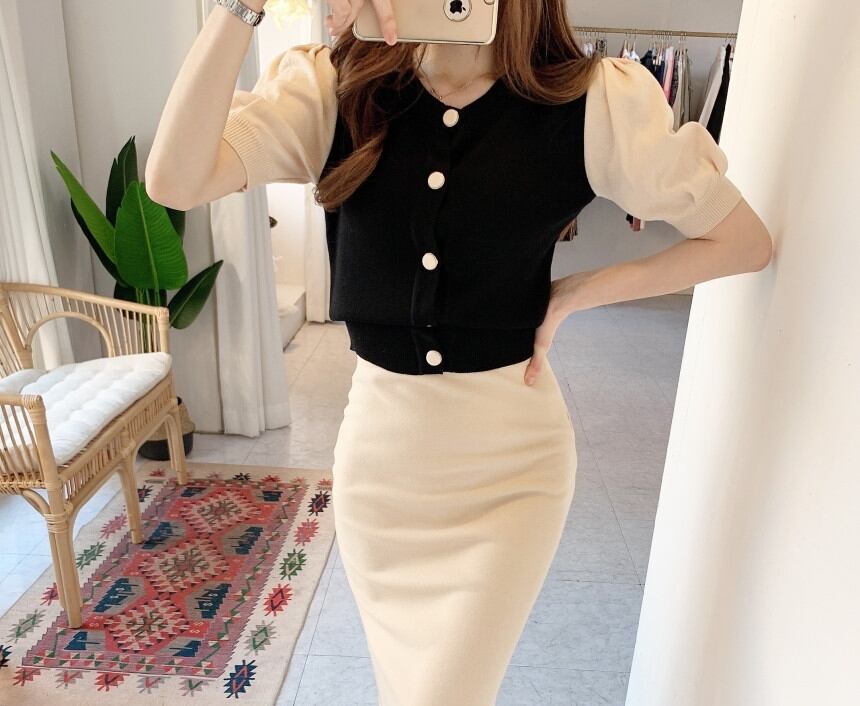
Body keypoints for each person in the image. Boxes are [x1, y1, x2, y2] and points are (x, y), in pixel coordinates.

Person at [146, 1, 773, 704]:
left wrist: (584, 289)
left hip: (511, 473)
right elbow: (174, 179)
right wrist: (243, 6)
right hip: (381, 471)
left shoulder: (592, 101)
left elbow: (743, 242)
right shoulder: (334, 88)